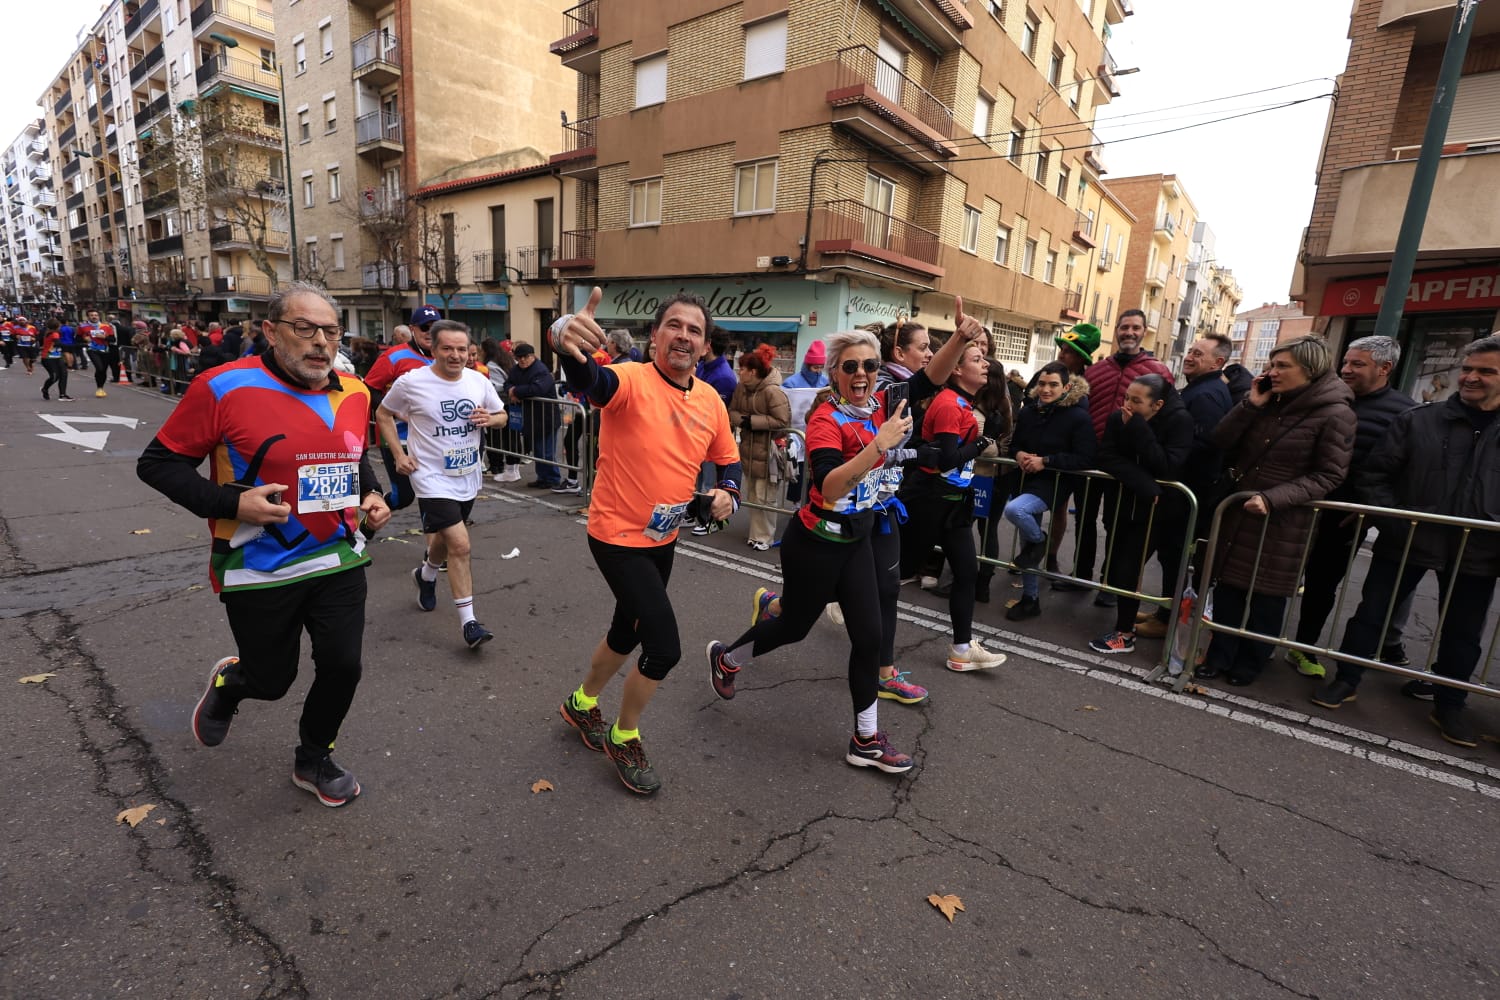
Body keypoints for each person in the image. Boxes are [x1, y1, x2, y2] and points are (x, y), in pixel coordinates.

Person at [135, 281, 392, 807]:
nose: (321, 341)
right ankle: (232, 684)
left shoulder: (355, 390)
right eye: (305, 329)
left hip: (338, 556)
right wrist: (234, 504)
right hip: (256, 565)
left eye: (331, 330)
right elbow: (157, 464)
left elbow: (351, 455)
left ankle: (314, 757)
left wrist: (372, 495)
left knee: (344, 665)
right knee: (273, 680)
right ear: (272, 332)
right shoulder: (221, 387)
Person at [706, 328, 923, 776]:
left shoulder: (879, 405)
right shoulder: (827, 418)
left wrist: (960, 339)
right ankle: (727, 659)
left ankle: (865, 739)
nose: (861, 374)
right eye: (850, 367)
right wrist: (878, 445)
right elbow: (827, 484)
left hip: (857, 540)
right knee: (792, 628)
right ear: (835, 374)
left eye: (869, 366)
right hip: (816, 545)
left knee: (869, 636)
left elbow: (931, 379)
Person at [550, 287, 741, 795]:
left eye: (694, 330)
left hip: (664, 536)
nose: (683, 335)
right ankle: (623, 733)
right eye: (673, 326)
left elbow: (729, 459)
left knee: (627, 630)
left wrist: (729, 491)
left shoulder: (709, 401)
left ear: (704, 346)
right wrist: (564, 340)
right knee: (664, 647)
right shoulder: (631, 379)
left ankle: (581, 704)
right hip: (616, 534)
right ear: (654, 336)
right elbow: (592, 380)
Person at [1309, 335, 1500, 746]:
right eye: (1467, 369)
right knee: (1371, 614)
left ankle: (1450, 704)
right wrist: (1396, 523)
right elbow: (1375, 475)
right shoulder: (1419, 420)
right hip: (1408, 541)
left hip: (1477, 552)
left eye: (1486, 371)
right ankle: (1347, 679)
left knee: (1463, 633)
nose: (1470, 377)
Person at [1194, 335, 1355, 687]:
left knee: (1266, 599)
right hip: (1240, 512)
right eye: (1272, 363)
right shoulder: (1266, 401)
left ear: (1310, 370)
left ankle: (1251, 663)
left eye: (1283, 366)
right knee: (1228, 591)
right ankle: (1220, 656)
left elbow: (1329, 474)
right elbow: (1221, 441)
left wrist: (1274, 497)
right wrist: (1250, 405)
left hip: (1284, 521)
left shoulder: (1336, 413)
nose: (1272, 371)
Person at [1285, 336, 1418, 678]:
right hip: (1297, 506)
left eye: (1357, 364)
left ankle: (1304, 649)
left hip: (1344, 520)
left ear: (1384, 368)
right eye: (1345, 362)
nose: (1346, 369)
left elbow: (1398, 472)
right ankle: (1254, 638)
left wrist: (1367, 510)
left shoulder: (1405, 413)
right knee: (1273, 576)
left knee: (1321, 586)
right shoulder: (1321, 397)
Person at [376, 321, 505, 650]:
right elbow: (384, 414)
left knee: (446, 542)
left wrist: (490, 419)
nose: (456, 355)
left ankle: (425, 575)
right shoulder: (412, 383)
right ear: (432, 349)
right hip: (430, 477)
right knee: (460, 544)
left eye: (462, 349)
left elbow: (501, 414)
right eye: (447, 348)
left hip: (467, 474)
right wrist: (398, 454)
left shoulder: (478, 381)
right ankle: (470, 624)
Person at [897, 338, 1008, 671]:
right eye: (977, 359)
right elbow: (947, 460)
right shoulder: (949, 404)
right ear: (957, 369)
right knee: (897, 572)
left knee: (967, 573)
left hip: (954, 504)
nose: (986, 364)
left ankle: (961, 649)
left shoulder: (964, 403)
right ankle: (843, 601)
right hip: (928, 501)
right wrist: (983, 442)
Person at [1135, 334, 1234, 639]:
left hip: (1186, 493)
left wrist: (1166, 459)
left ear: (1218, 362)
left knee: (1175, 558)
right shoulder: (1201, 389)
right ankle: (1164, 611)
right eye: (1190, 351)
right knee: (1169, 556)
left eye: (1198, 354)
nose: (1189, 356)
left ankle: (1168, 619)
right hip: (1180, 491)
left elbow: (1202, 445)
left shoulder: (1206, 395)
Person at [1087, 374, 1194, 654]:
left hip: (1160, 513)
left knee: (1129, 569)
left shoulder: (1178, 421)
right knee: (1118, 568)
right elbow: (1106, 456)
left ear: (1157, 404)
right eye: (1126, 398)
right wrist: (1144, 483)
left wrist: (1137, 428)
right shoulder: (1117, 418)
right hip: (1124, 504)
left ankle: (1125, 634)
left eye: (1136, 401)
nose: (1128, 405)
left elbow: (1167, 466)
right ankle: (1125, 623)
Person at [1072, 312, 1172, 606]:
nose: (1129, 332)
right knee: (1084, 520)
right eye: (1124, 327)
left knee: (1115, 525)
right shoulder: (1096, 370)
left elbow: (1164, 419)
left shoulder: (1157, 372)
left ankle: (1109, 583)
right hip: (1090, 459)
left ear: (1144, 332)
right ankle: (1079, 575)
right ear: (1116, 331)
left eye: (1135, 328)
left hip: (1127, 466)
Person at [1003, 361, 1095, 620]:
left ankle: (1040, 541)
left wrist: (1046, 461)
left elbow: (1086, 458)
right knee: (1026, 544)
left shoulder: (1078, 416)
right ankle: (1030, 599)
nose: (1046, 389)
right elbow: (1014, 445)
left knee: (1015, 511)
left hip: (1054, 483)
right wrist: (1020, 453)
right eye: (1042, 383)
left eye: (1053, 384)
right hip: (1024, 480)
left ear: (1066, 387)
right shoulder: (1029, 412)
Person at [364, 306, 439, 509]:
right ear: (412, 329)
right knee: (404, 497)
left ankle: (440, 535)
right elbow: (368, 389)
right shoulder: (394, 356)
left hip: (432, 438)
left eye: (435, 328)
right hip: (398, 436)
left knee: (435, 493)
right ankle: (370, 520)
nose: (430, 333)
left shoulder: (443, 357)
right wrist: (396, 410)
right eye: (425, 327)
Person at [727, 344, 792, 550]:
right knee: (754, 495)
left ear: (752, 372)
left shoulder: (773, 391)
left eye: (742, 369)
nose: (740, 372)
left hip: (769, 452)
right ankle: (756, 534)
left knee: (767, 497)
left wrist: (752, 421)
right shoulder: (741, 388)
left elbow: (783, 421)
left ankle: (765, 537)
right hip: (749, 450)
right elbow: (732, 411)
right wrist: (744, 421)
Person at [506, 342, 562, 489]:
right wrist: (511, 389)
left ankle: (552, 478)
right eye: (519, 358)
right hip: (532, 417)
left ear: (532, 356)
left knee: (547, 451)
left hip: (546, 417)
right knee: (538, 450)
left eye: (526, 357)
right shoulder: (516, 369)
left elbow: (538, 389)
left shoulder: (540, 370)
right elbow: (508, 383)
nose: (523, 360)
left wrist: (516, 391)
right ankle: (542, 477)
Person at [697, 328, 737, 405]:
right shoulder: (703, 365)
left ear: (708, 346)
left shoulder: (724, 379)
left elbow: (717, 411)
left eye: (701, 341)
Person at [40, 320, 74, 401]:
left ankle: (62, 394)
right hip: (48, 358)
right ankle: (45, 389)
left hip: (57, 357)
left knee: (64, 374)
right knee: (54, 377)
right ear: (57, 327)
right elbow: (58, 343)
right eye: (59, 326)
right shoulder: (54, 334)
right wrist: (74, 346)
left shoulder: (52, 333)